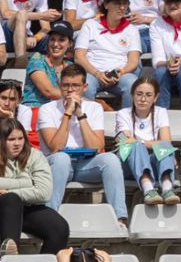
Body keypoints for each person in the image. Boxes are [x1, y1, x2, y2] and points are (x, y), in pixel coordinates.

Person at [34, 65, 129, 231]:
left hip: (86, 164)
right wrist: (67, 113)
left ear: (85, 87)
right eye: (66, 85)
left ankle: (119, 219)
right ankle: (49, 218)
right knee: (61, 158)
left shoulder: (94, 108)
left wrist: (80, 115)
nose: (70, 90)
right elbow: (56, 147)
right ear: (59, 85)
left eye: (75, 86)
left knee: (110, 159)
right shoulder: (47, 109)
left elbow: (97, 147)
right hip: (57, 165)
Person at [115, 73, 180, 207]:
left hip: (154, 163)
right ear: (132, 95)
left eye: (148, 95)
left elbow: (166, 142)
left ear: (155, 97)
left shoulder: (161, 112)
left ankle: (167, 188)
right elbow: (127, 142)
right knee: (136, 147)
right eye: (139, 94)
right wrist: (148, 144)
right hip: (129, 165)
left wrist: (140, 141)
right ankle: (148, 189)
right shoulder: (123, 114)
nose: (143, 99)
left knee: (164, 146)